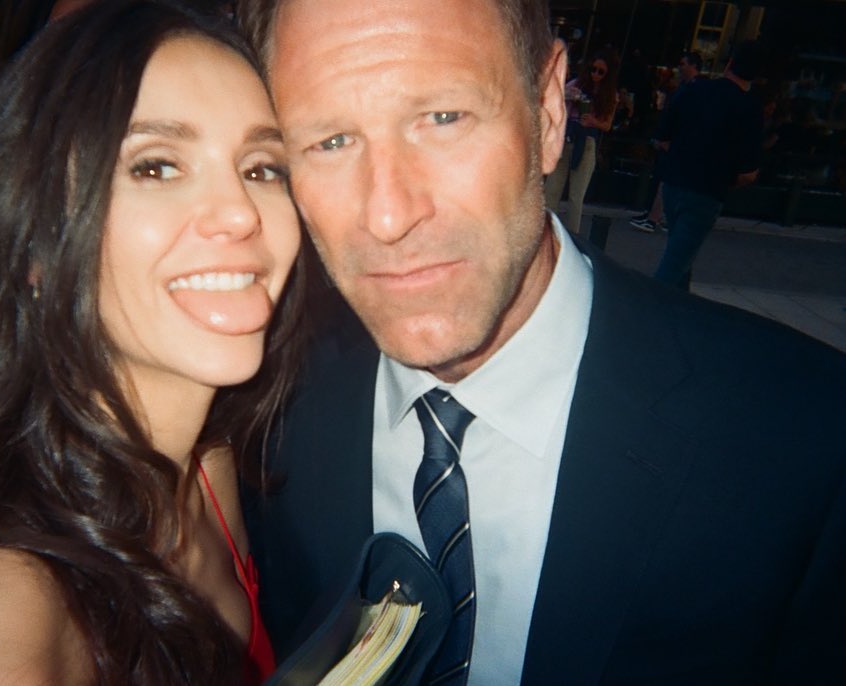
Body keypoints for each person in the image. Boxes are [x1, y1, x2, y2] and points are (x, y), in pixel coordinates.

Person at [237, 1, 846, 684]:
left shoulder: (808, 446)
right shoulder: (260, 411)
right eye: (330, 141)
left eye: (443, 117)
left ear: (549, 111)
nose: (387, 215)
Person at [0, 1, 305, 683]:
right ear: (36, 244)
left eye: (261, 167)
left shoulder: (205, 467)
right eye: (156, 166)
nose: (240, 213)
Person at [653, 41, 763, 290]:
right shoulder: (749, 108)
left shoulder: (694, 89)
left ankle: (679, 306)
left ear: (729, 63)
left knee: (680, 257)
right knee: (673, 266)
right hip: (707, 191)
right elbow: (749, 173)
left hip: (674, 181)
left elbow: (662, 138)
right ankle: (648, 308)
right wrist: (726, 178)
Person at [544, 49, 619, 235]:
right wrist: (567, 95)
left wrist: (593, 121)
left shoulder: (609, 95)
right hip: (567, 137)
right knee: (552, 190)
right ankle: (545, 233)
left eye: (601, 72)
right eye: (593, 69)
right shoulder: (577, 84)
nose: (595, 74)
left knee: (576, 197)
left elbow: (607, 124)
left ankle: (572, 237)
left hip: (586, 142)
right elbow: (554, 98)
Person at [630, 51, 704, 234]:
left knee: (667, 181)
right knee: (662, 178)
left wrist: (670, 139)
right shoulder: (684, 88)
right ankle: (656, 216)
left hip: (678, 143)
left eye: (683, 64)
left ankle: (654, 218)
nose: (680, 67)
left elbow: (685, 118)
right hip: (673, 141)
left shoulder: (695, 90)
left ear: (693, 66)